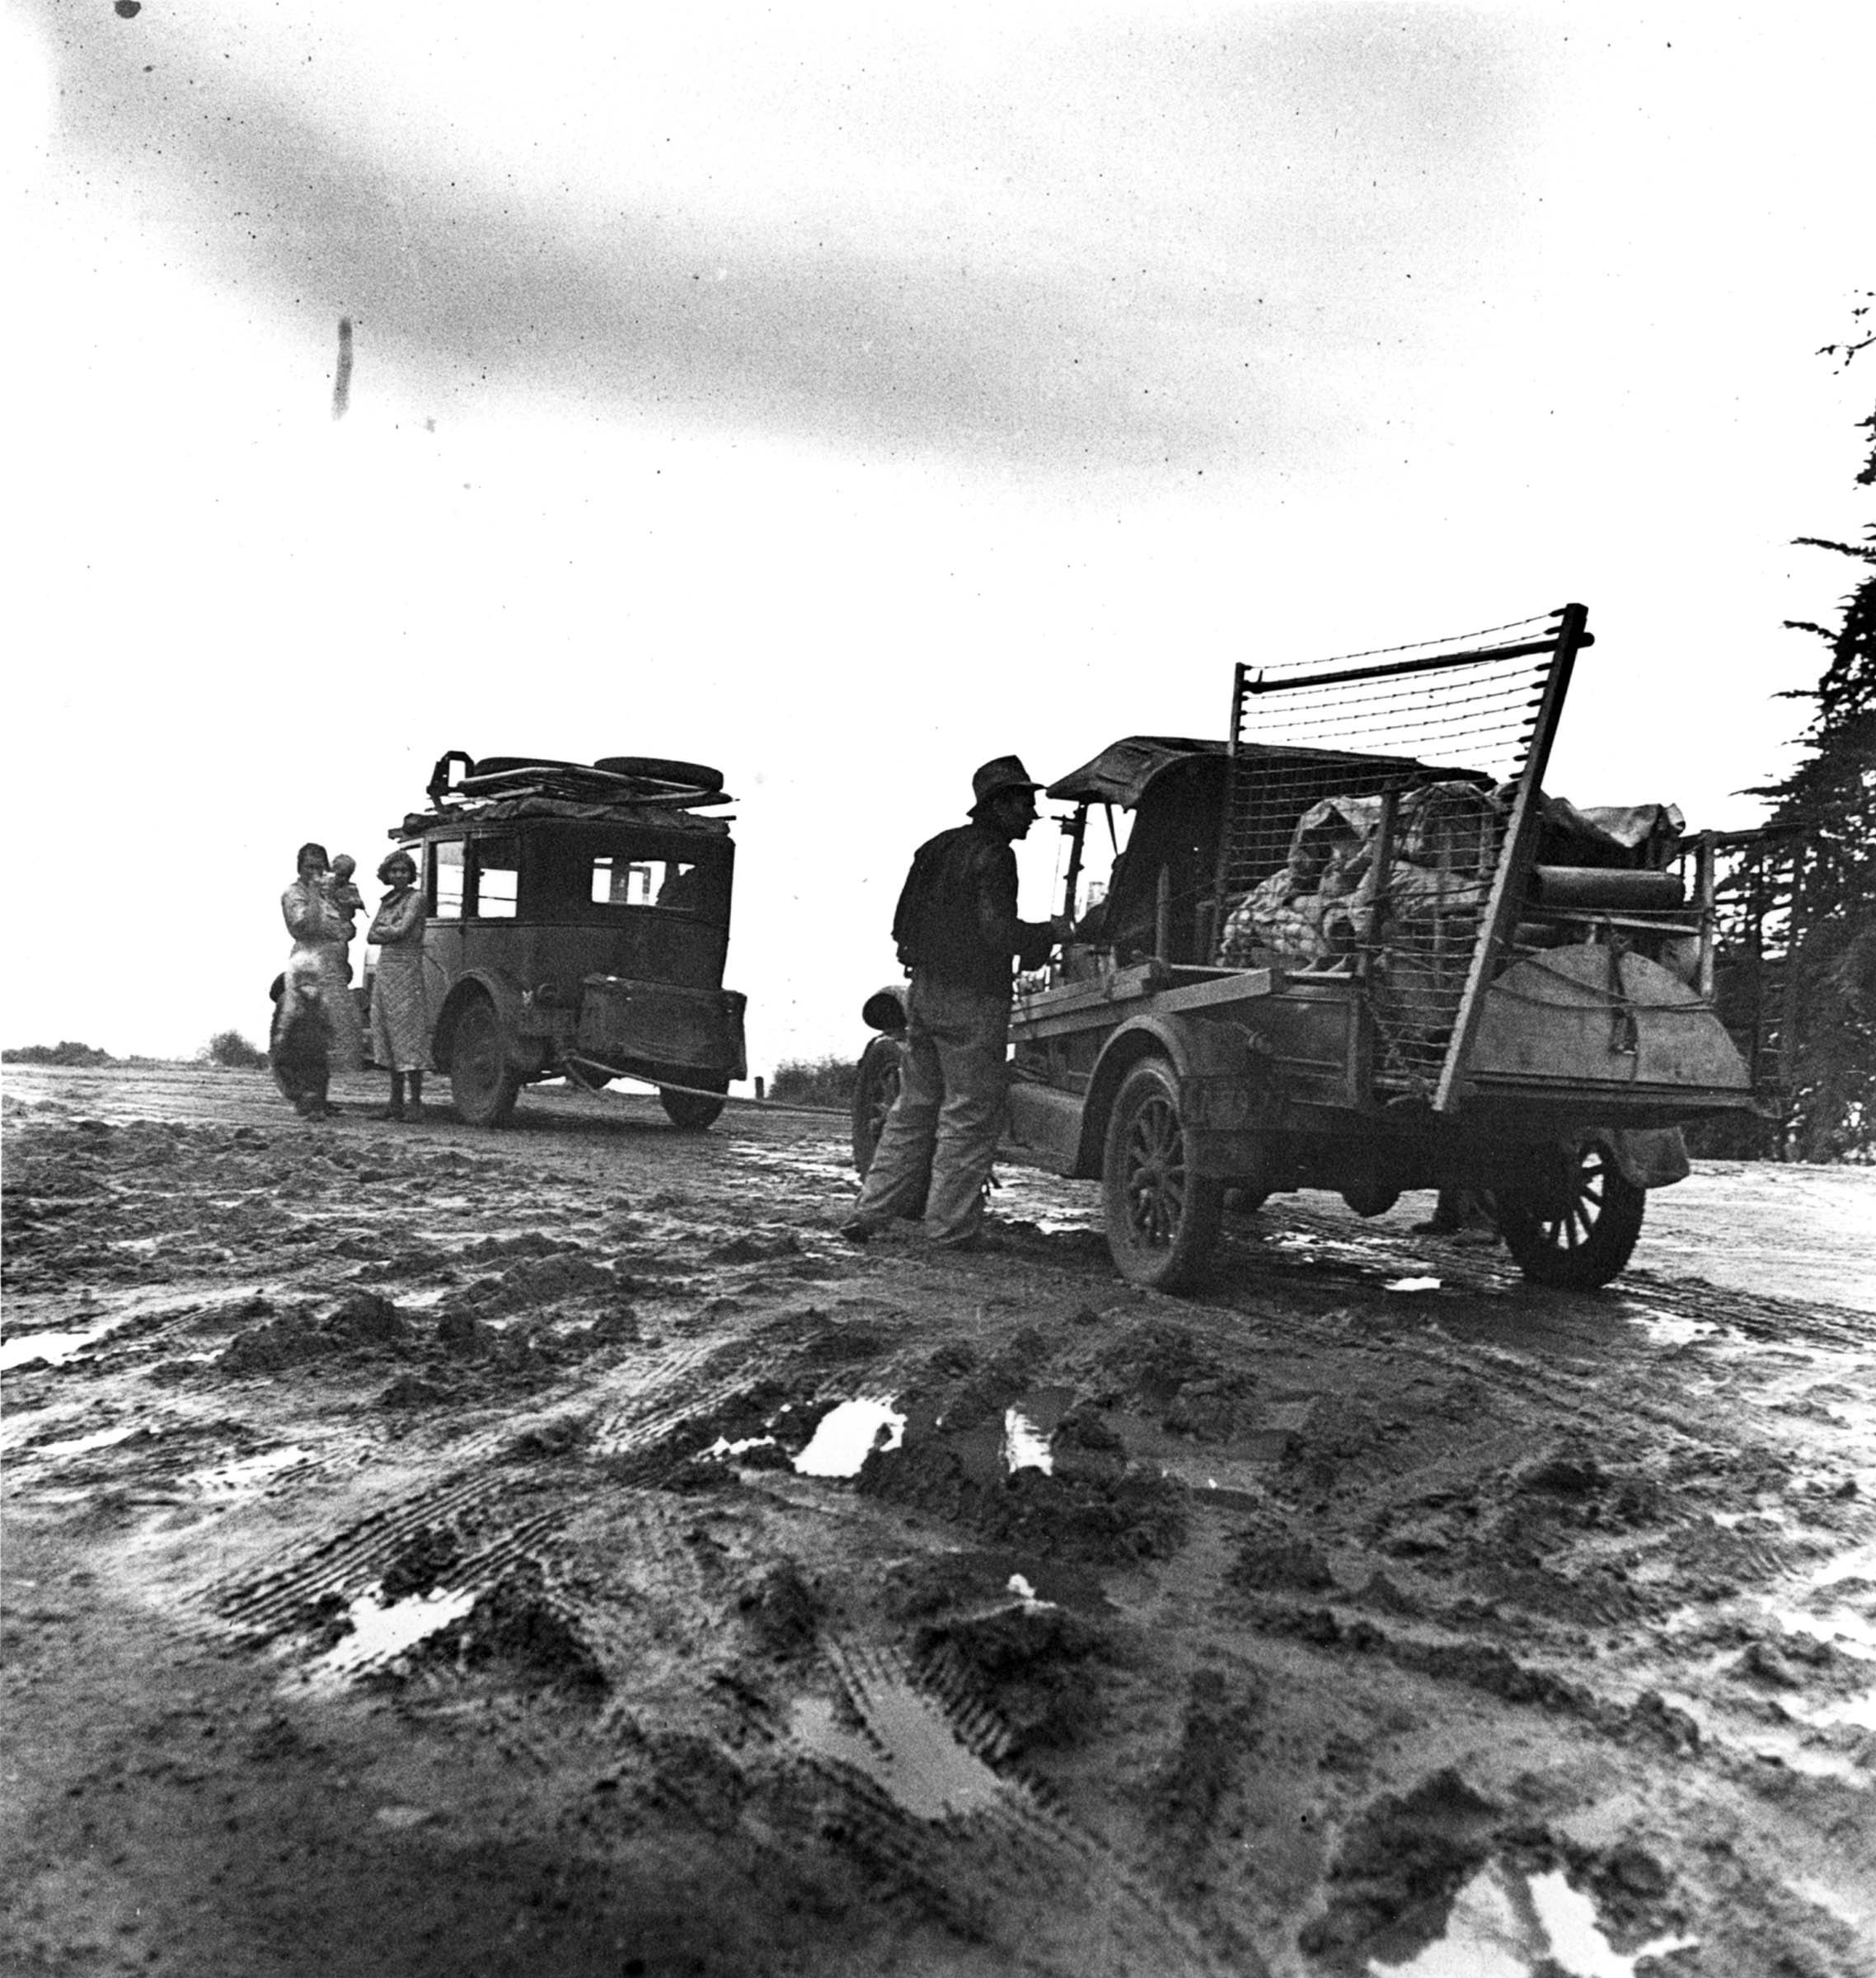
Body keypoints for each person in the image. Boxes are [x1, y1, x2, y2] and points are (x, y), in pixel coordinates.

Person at [843, 756, 1064, 1251]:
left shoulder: (935, 849)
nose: (1032, 814)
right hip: (974, 1000)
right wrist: (1046, 935)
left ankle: (869, 1212)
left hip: (924, 994)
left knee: (912, 1109)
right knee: (967, 1115)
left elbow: (901, 928)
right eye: (1025, 803)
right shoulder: (996, 856)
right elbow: (996, 932)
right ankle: (949, 1231)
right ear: (1000, 805)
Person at [280, 841, 365, 1074]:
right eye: (309, 867)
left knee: (334, 1030)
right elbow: (303, 927)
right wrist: (317, 895)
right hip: (308, 966)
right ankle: (310, 1098)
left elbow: (345, 925)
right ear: (300, 868)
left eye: (320, 867)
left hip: (333, 967)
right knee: (309, 1033)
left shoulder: (332, 893)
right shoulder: (294, 893)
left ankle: (321, 1097)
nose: (315, 872)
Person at [367, 850, 429, 1120]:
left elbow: (403, 929)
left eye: (404, 871)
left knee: (409, 1033)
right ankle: (395, 1102)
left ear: (410, 873)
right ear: (387, 874)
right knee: (389, 1033)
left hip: (406, 969)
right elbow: (371, 935)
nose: (399, 875)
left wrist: (386, 932)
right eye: (394, 871)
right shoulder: (389, 900)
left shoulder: (417, 898)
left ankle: (415, 1103)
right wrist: (387, 933)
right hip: (386, 970)